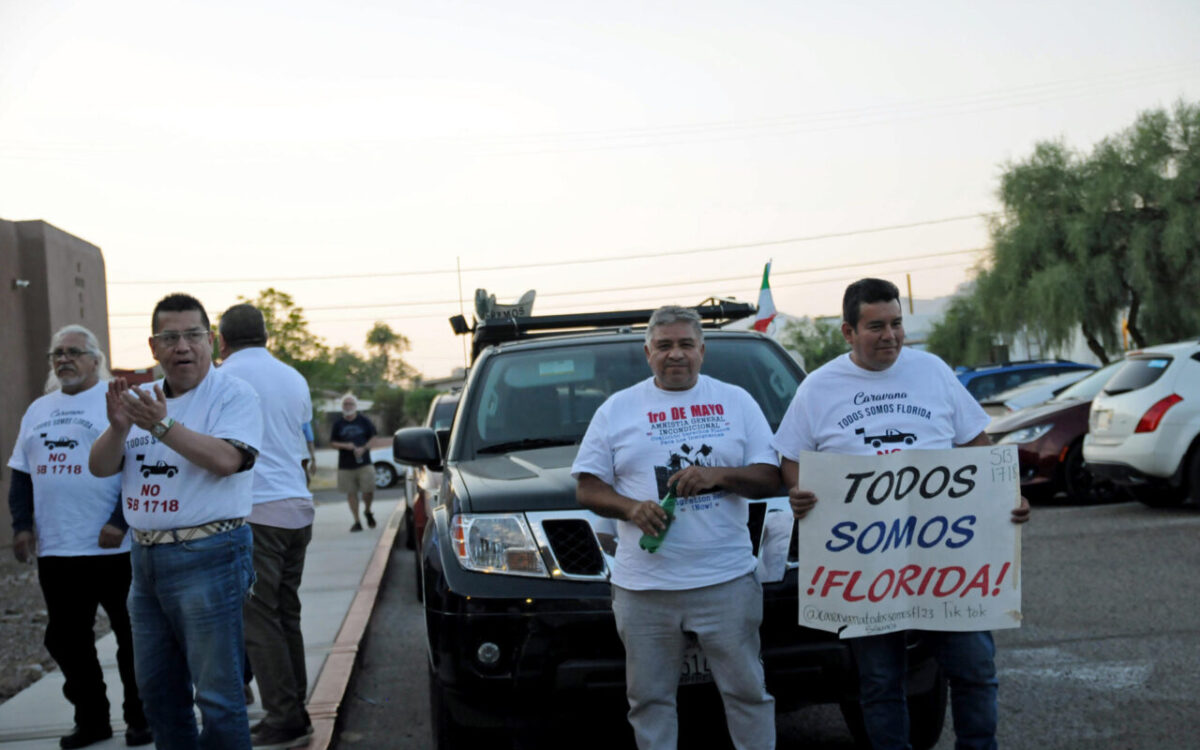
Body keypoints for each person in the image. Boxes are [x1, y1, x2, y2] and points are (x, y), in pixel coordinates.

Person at [772, 278, 1031, 750]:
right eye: (876, 326)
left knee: (974, 667)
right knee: (879, 680)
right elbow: (790, 456)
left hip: (948, 559)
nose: (889, 335)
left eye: (896, 324)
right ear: (848, 332)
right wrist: (800, 489)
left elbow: (977, 445)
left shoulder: (932, 371)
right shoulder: (819, 387)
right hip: (867, 565)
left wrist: (1004, 496)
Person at [572, 305, 780, 750]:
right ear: (648, 352)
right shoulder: (617, 409)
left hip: (726, 580)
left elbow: (769, 476)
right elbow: (587, 488)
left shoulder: (736, 401)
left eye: (686, 344)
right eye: (664, 345)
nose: (676, 354)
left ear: (702, 350)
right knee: (649, 701)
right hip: (644, 589)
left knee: (748, 694)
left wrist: (718, 475)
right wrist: (630, 508)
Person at [89, 293, 263, 750]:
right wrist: (118, 427)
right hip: (145, 559)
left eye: (192, 336)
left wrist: (162, 427)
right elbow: (101, 467)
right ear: (153, 346)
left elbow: (228, 460)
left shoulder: (233, 394)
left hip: (210, 555)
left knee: (218, 696)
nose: (181, 347)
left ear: (211, 341)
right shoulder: (141, 400)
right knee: (159, 694)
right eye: (170, 338)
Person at [7, 325, 152, 749]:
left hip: (114, 548)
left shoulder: (119, 401)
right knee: (67, 640)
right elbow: (21, 473)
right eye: (57, 353)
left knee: (132, 638)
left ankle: (141, 718)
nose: (63, 359)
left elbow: (141, 468)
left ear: (95, 359)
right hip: (58, 548)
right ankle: (92, 720)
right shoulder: (37, 410)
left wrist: (119, 521)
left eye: (73, 351)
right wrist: (20, 526)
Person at [217, 303, 315, 749]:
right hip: (297, 507)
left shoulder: (223, 379)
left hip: (257, 511)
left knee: (258, 621)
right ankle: (295, 707)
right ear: (267, 337)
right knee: (285, 615)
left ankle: (285, 717)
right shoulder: (293, 377)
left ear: (221, 340)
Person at [329, 394, 375, 532]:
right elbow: (332, 443)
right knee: (351, 493)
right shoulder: (338, 424)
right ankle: (357, 521)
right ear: (342, 407)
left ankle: (367, 511)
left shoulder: (364, 421)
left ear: (355, 406)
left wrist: (364, 448)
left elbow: (373, 437)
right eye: (345, 404)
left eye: (350, 404)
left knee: (368, 490)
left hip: (364, 462)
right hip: (345, 465)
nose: (348, 406)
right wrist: (346, 446)